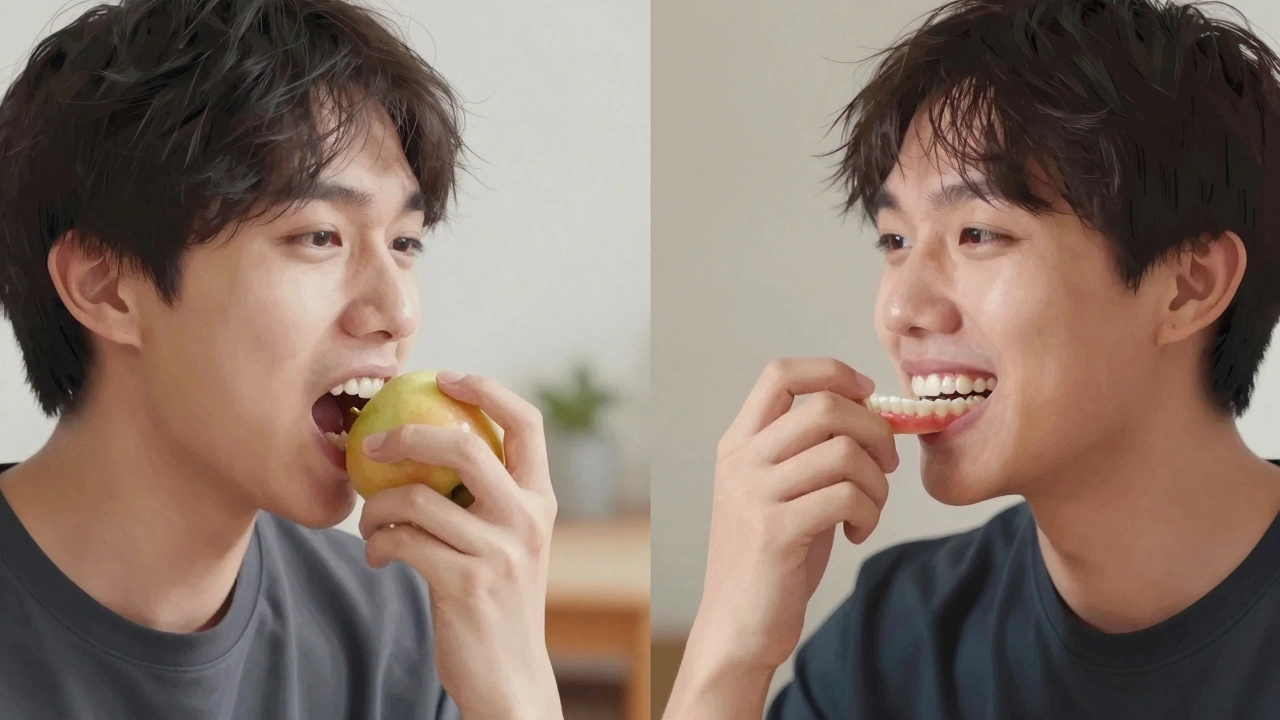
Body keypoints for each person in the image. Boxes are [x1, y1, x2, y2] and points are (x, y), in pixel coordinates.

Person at [664, 0, 1280, 718]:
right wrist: (729, 650)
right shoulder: (891, 642)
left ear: (1187, 286)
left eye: (979, 233)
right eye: (895, 241)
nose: (900, 311)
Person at [0, 1, 561, 718]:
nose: (397, 314)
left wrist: (517, 690)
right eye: (321, 236)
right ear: (106, 287)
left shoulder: (401, 628)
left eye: (405, 243)